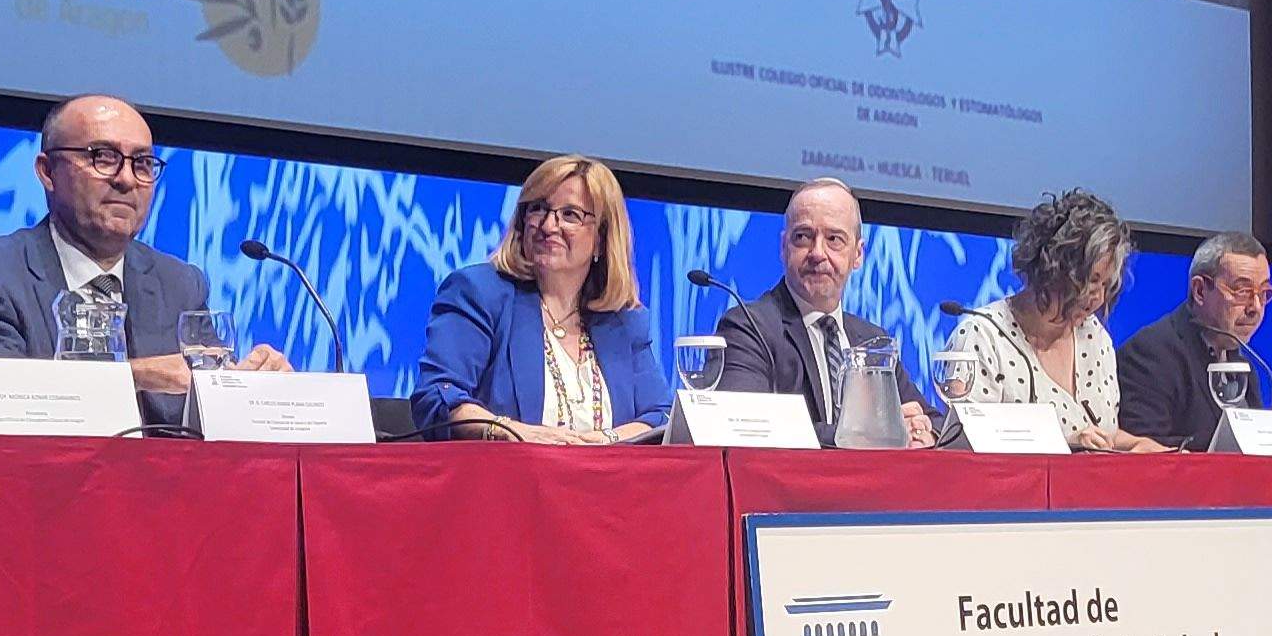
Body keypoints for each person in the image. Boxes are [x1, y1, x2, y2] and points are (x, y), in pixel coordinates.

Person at [0, 96, 287, 417]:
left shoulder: (179, 284)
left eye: (142, 163)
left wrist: (253, 389)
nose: (126, 179)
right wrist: (133, 376)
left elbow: (209, 410)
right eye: (104, 157)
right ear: (47, 172)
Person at [415, 155, 675, 442]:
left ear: (601, 239)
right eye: (538, 209)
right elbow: (438, 395)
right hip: (507, 469)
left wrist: (607, 440)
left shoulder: (624, 321)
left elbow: (661, 416)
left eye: (570, 215)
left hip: (606, 471)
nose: (549, 226)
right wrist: (508, 431)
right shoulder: (479, 292)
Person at [703, 178, 934, 446]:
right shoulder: (747, 327)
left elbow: (934, 420)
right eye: (803, 237)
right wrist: (864, 434)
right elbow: (743, 422)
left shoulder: (871, 339)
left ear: (858, 255)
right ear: (783, 247)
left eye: (834, 239)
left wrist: (923, 432)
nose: (817, 253)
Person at [945, 188, 1160, 451]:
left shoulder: (1094, 336)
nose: (1099, 297)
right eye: (1091, 281)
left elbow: (1102, 435)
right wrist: (1064, 445)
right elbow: (964, 445)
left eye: (1106, 285)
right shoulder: (982, 336)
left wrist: (1138, 444)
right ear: (1053, 268)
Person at [1112, 230, 1272, 447]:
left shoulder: (1243, 365)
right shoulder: (1150, 354)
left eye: (1263, 293)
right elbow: (1144, 450)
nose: (1255, 307)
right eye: (1242, 291)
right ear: (1199, 291)